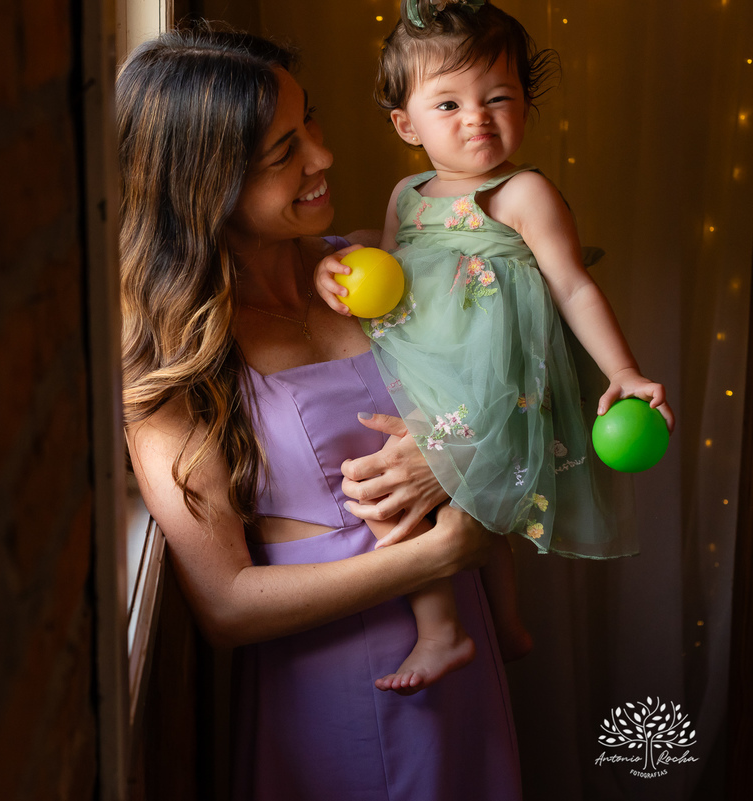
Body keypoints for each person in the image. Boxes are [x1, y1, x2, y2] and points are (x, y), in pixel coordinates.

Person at [120, 22, 522, 799]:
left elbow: (527, 386)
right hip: (341, 689)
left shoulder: (378, 268)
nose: (324, 156)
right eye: (284, 152)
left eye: (311, 121)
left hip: (466, 654)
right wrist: (437, 554)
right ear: (205, 186)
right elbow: (227, 606)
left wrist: (462, 456)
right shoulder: (179, 367)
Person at [315, 0, 676, 694]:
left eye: (498, 98)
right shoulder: (407, 192)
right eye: (447, 103)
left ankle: (447, 629)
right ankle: (501, 624)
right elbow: (390, 279)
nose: (476, 117)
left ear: (526, 107)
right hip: (416, 361)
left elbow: (572, 287)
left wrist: (624, 371)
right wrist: (344, 263)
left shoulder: (523, 192)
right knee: (432, 494)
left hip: (487, 380)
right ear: (406, 124)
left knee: (450, 499)